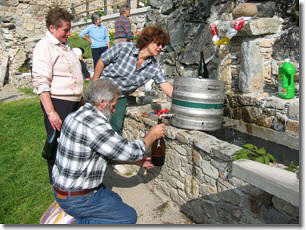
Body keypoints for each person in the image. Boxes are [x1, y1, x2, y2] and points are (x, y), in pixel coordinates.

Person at [52, 79, 166, 224]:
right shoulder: (95, 126)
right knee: (127, 218)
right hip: (77, 198)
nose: (114, 110)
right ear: (102, 103)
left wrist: (135, 162)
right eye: (113, 105)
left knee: (116, 201)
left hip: (65, 190)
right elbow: (131, 151)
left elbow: (100, 153)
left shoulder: (77, 114)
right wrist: (152, 135)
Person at [32, 7, 83, 184]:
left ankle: (73, 182)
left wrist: (80, 99)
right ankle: (58, 186)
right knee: (57, 146)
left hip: (74, 104)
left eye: (70, 29)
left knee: (74, 145)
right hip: (59, 104)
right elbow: (41, 83)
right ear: (52, 28)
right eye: (65, 30)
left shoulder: (64, 45)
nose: (69, 33)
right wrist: (51, 112)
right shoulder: (43, 47)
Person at [92, 25, 173, 135]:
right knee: (94, 123)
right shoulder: (125, 48)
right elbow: (102, 60)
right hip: (102, 91)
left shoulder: (154, 67)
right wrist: (94, 83)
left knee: (115, 128)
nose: (160, 48)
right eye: (158, 44)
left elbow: (165, 85)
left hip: (119, 97)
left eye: (162, 45)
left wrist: (183, 101)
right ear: (148, 40)